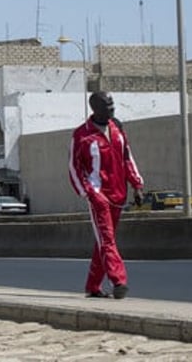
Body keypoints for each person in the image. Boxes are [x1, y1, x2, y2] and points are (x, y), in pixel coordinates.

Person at [68, 91, 144, 299]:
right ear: (95, 109)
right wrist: (88, 193)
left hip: (119, 194)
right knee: (107, 239)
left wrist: (137, 185)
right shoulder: (81, 135)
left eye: (112, 104)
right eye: (107, 105)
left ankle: (92, 285)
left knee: (102, 241)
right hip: (98, 195)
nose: (112, 108)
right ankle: (118, 281)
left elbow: (127, 158)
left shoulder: (117, 128)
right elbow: (74, 168)